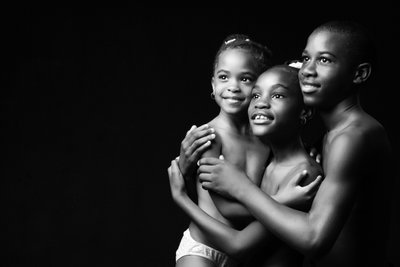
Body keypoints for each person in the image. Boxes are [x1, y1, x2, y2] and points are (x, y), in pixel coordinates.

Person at [190, 20, 393, 267]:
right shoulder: (328, 139)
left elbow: (314, 239)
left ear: (359, 74)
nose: (308, 70)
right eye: (306, 58)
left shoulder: (354, 136)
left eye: (325, 60)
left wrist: (240, 186)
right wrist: (187, 165)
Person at [169, 64, 324, 266]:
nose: (261, 103)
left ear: (305, 111)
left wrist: (180, 198)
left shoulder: (302, 176)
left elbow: (239, 245)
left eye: (277, 96)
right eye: (256, 96)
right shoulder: (270, 159)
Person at [173, 33, 274, 267]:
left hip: (248, 253)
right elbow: (227, 209)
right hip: (203, 250)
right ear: (213, 84)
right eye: (224, 77)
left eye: (246, 79)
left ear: (260, 87)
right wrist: (280, 207)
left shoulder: (267, 139)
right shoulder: (209, 135)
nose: (233, 87)